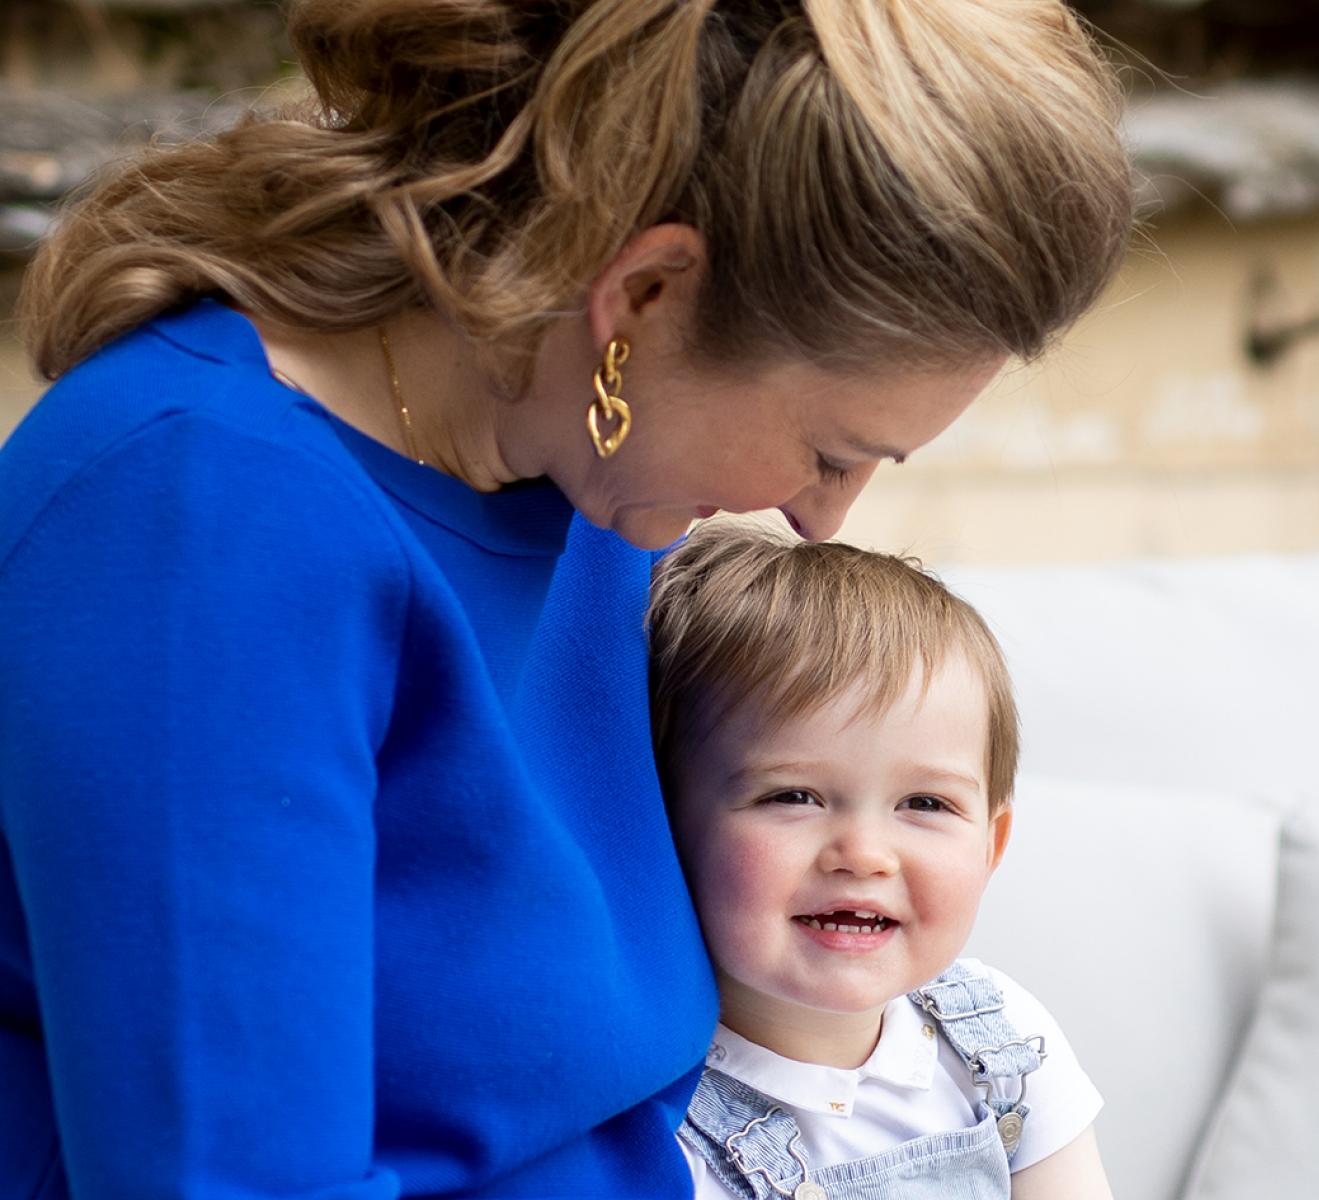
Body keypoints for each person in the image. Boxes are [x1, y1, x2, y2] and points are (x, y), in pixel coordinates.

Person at [0, 1, 1130, 1196]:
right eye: (828, 447)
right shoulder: (199, 525)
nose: (821, 517)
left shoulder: (591, 475)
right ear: (643, 298)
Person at [648, 524, 1114, 1200]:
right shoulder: (660, 1133)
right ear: (665, 825)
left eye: (924, 802)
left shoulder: (1007, 1047)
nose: (863, 855)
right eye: (793, 796)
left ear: (993, 845)